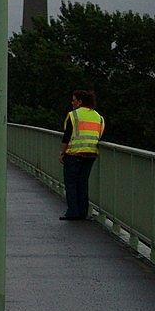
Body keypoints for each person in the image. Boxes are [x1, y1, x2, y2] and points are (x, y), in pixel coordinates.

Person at [60, 89, 104, 221]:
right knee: (83, 183)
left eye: (73, 100)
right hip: (90, 154)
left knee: (71, 183)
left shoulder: (74, 115)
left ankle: (73, 211)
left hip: (74, 154)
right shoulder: (98, 117)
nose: (72, 102)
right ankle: (83, 212)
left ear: (80, 102)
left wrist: (63, 153)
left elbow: (66, 137)